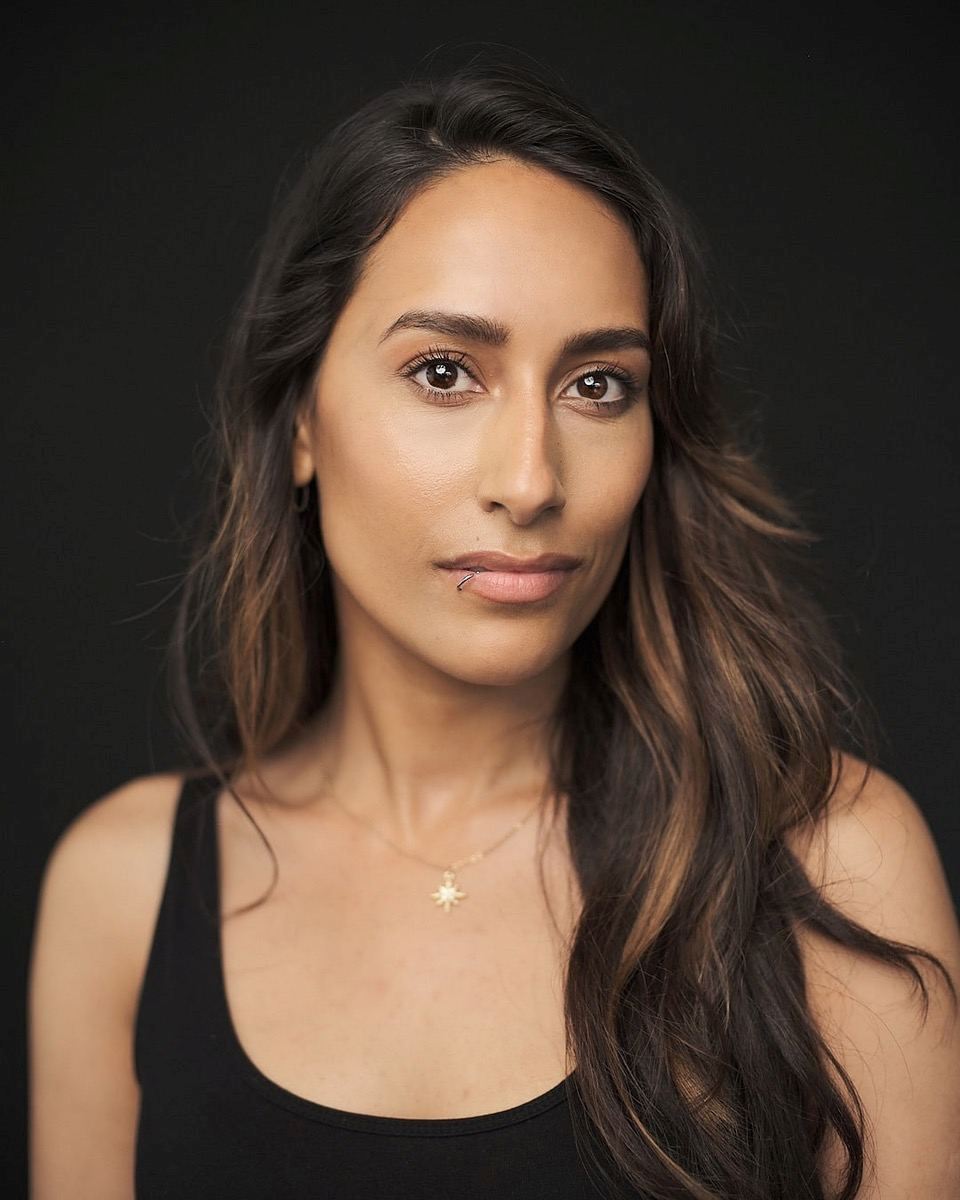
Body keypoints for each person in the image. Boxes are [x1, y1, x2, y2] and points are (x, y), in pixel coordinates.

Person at [28, 57, 960, 1200]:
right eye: (442, 372)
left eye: (598, 387)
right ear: (302, 423)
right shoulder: (121, 887)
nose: (530, 481)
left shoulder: (827, 861)